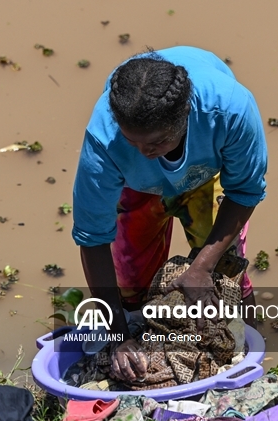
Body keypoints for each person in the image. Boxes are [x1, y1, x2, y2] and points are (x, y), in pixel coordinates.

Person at [72, 46, 267, 383]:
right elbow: (92, 237)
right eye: (134, 143)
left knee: (223, 278)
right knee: (132, 287)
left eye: (157, 142)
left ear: (186, 115)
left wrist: (202, 266)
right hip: (136, 186)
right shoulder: (105, 140)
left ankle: (250, 359)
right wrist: (119, 338)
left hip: (208, 170)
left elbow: (245, 190)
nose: (146, 153)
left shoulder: (230, 109)